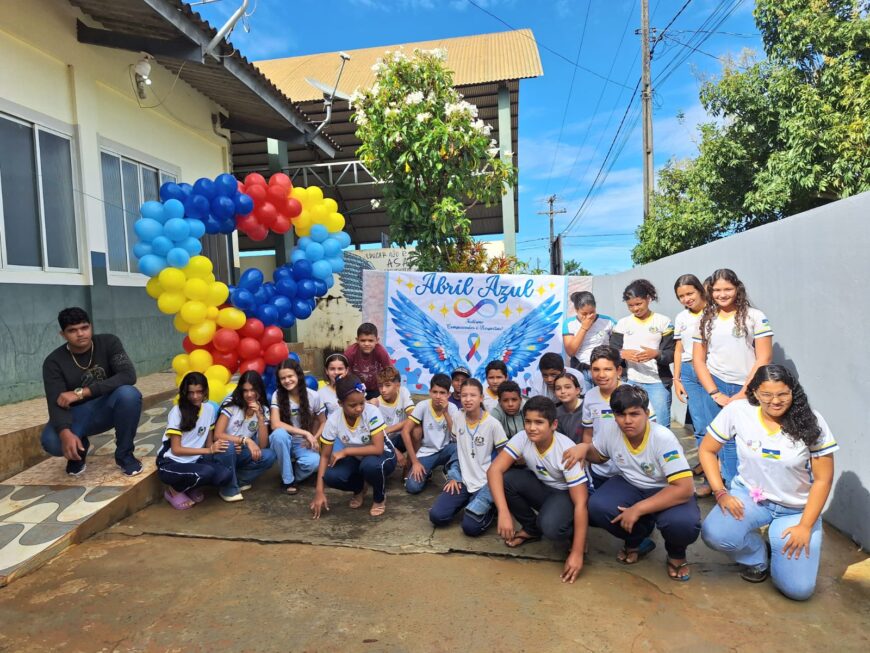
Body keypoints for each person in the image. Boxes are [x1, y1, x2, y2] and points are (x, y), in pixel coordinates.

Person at [700, 365, 837, 601]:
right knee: (715, 532)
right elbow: (707, 450)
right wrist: (720, 492)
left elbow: (823, 480)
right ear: (754, 392)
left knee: (798, 590)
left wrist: (805, 526)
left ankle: (784, 550)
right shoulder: (738, 411)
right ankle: (756, 556)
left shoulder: (812, 422)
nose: (775, 401)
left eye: (783, 394)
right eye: (767, 394)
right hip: (751, 499)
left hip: (794, 510)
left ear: (793, 391)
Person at [582, 385, 700, 581]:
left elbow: (685, 488)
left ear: (646, 413)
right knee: (598, 506)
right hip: (631, 484)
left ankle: (676, 553)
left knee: (682, 523)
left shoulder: (662, 438)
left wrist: (637, 509)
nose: (627, 421)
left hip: (668, 488)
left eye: (634, 414)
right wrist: (583, 449)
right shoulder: (611, 429)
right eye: (620, 415)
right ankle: (638, 539)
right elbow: (600, 456)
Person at [487, 396, 589, 584]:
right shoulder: (522, 437)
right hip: (543, 488)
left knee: (550, 527)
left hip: (566, 495)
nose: (532, 428)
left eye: (539, 422)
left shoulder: (566, 450)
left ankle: (574, 535)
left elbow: (581, 503)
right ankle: (531, 529)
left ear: (553, 424)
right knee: (507, 480)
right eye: (528, 422)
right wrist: (503, 512)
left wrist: (577, 553)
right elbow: (494, 470)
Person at [693, 268, 773, 487]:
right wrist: (714, 392)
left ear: (737, 288)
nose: (722, 294)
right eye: (717, 290)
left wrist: (744, 392)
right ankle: (730, 488)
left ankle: (753, 489)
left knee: (751, 439)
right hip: (716, 385)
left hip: (750, 387)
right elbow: (698, 360)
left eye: (727, 289)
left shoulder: (755, 316)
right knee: (723, 441)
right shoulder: (705, 319)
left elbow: (764, 356)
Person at [41, 307, 143, 477]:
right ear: (63, 334)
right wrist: (65, 433)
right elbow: (55, 402)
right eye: (72, 330)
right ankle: (78, 452)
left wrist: (81, 393)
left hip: (108, 406)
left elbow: (128, 375)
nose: (80, 334)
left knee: (129, 394)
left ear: (91, 326)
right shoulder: (53, 362)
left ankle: (125, 455)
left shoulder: (109, 342)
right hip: (78, 414)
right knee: (52, 442)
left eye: (84, 327)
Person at [310, 374, 397, 518]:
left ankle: (379, 497)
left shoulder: (371, 412)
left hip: (383, 456)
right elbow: (325, 456)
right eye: (352, 405)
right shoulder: (333, 420)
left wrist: (345, 451)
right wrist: (319, 492)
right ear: (340, 403)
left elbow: (378, 448)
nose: (359, 409)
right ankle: (359, 488)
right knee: (331, 476)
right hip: (356, 458)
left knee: (370, 466)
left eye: (361, 403)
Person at [429, 379, 507, 536]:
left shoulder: (493, 424)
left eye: (473, 395)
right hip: (463, 480)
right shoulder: (458, 417)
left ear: (481, 398)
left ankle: (490, 507)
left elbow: (503, 457)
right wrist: (454, 476)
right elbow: (458, 448)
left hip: (486, 482)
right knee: (437, 516)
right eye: (464, 395)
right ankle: (467, 501)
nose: (468, 399)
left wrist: (494, 485)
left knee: (470, 528)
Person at [157, 372, 233, 509]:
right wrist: (209, 450)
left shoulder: (209, 409)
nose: (195, 396)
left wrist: (219, 446)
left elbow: (209, 443)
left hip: (195, 461)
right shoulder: (177, 411)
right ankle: (173, 491)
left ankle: (190, 488)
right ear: (185, 392)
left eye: (199, 392)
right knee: (206, 472)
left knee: (225, 474)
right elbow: (176, 449)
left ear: (205, 391)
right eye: (191, 392)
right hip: (171, 463)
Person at [610, 279, 675, 427]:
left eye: (638, 304)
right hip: (630, 382)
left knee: (660, 425)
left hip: (657, 383)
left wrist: (657, 354)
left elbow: (671, 353)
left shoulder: (663, 322)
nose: (635, 309)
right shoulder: (622, 324)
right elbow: (612, 351)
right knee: (632, 424)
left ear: (648, 299)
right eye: (630, 306)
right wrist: (622, 354)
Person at [671, 274, 713, 496]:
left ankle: (725, 477)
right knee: (700, 426)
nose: (686, 299)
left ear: (700, 291)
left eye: (690, 293)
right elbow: (678, 349)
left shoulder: (715, 313)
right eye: (681, 296)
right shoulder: (681, 318)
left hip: (712, 371)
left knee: (719, 427)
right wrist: (677, 379)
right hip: (688, 372)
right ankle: (709, 477)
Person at [213, 370, 277, 502]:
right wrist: (245, 440)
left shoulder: (263, 409)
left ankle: (238, 480)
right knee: (228, 446)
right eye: (245, 390)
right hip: (222, 452)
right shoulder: (231, 404)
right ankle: (228, 489)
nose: (249, 394)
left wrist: (260, 417)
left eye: (253, 390)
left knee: (269, 455)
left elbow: (262, 445)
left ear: (260, 389)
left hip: (240, 452)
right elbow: (217, 435)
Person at [269, 359, 325, 495]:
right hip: (285, 440)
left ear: (298, 375)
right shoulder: (277, 395)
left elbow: (323, 421)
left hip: (303, 443)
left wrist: (314, 438)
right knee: (278, 434)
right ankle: (288, 481)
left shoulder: (313, 396)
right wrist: (305, 432)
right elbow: (275, 424)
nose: (287, 380)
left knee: (314, 462)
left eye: (290, 376)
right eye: (283, 378)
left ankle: (289, 473)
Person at [401, 373, 460, 494]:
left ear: (448, 394)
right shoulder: (422, 406)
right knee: (412, 487)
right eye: (435, 392)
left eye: (442, 393)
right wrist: (415, 462)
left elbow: (457, 436)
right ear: (430, 392)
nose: (438, 396)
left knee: (459, 447)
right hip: (426, 452)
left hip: (446, 450)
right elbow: (405, 431)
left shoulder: (453, 408)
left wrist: (445, 412)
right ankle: (428, 472)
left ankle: (452, 474)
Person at [562, 291, 615, 391]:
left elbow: (618, 344)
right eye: (584, 314)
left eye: (592, 312)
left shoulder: (608, 321)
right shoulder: (569, 324)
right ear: (576, 310)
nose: (589, 317)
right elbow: (571, 351)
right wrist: (584, 328)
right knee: (585, 402)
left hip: (603, 370)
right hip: (582, 370)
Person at [371, 366, 414, 468]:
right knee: (374, 464)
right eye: (380, 386)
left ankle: (410, 466)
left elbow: (413, 417)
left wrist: (389, 429)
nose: (383, 390)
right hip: (383, 442)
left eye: (387, 385)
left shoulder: (403, 392)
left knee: (417, 429)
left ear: (397, 386)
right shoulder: (375, 404)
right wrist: (395, 451)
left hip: (401, 437)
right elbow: (375, 437)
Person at [344, 323, 392, 400]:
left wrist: (387, 388)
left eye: (370, 340)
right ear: (357, 340)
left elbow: (389, 370)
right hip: (356, 389)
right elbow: (344, 373)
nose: (366, 344)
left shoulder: (381, 352)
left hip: (376, 389)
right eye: (363, 340)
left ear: (377, 340)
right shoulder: (350, 353)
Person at [554, 372, 584, 444]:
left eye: (567, 387)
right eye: (558, 388)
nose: (563, 391)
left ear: (577, 390)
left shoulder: (588, 408)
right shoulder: (556, 413)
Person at [319, 353, 349, 417]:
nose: (336, 372)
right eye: (332, 369)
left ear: (346, 370)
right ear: (326, 371)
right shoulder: (321, 393)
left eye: (340, 368)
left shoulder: (354, 387)